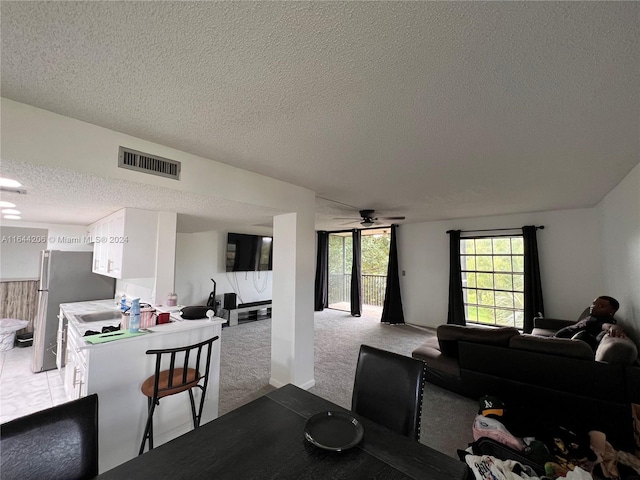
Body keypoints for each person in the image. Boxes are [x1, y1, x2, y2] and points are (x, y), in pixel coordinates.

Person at [554, 296, 624, 351]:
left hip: (562, 344)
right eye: (594, 303)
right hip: (557, 340)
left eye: (601, 306)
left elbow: (608, 326)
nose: (593, 307)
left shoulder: (601, 320)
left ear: (612, 312)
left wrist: (615, 328)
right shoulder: (593, 316)